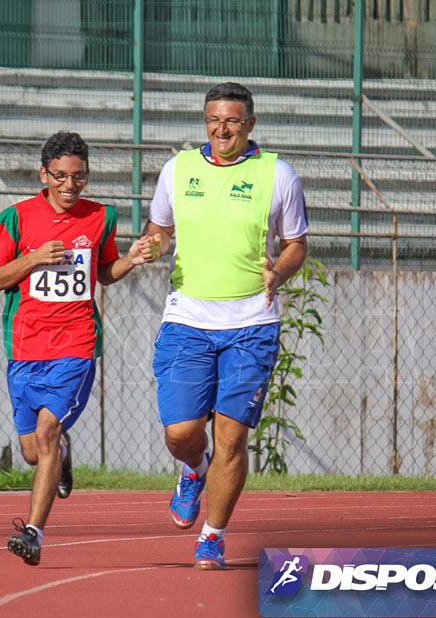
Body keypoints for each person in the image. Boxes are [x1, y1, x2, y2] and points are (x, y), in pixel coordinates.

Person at [143, 82, 310, 570]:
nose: (222, 128)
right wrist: (149, 247)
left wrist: (279, 271)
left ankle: (212, 537)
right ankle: (193, 469)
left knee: (233, 439)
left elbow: (297, 242)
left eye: (233, 120)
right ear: (204, 121)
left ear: (250, 124)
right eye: (214, 119)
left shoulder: (278, 175)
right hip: (188, 320)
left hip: (252, 323)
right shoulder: (178, 170)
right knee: (180, 432)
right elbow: (159, 229)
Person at [0, 131, 156, 567]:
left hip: (75, 344)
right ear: (44, 174)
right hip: (24, 346)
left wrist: (130, 260)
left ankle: (35, 533)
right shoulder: (15, 218)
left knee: (45, 434)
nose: (69, 186)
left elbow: (103, 273)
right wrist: (34, 258)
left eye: (78, 177)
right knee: (32, 452)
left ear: (86, 177)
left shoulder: (101, 217)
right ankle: (61, 454)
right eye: (60, 176)